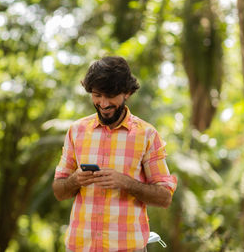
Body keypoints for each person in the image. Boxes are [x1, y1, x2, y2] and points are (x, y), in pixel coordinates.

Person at [52, 56, 177, 252]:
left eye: (110, 95)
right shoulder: (76, 131)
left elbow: (164, 198)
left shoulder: (147, 135)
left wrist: (126, 182)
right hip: (80, 247)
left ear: (127, 92)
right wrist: (75, 180)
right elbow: (59, 191)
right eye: (97, 95)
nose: (103, 103)